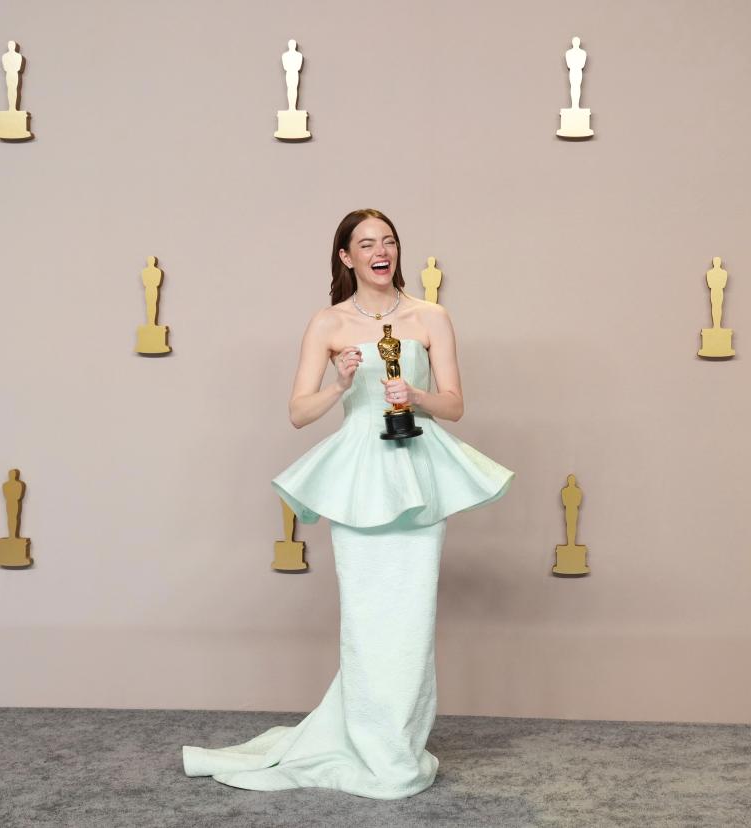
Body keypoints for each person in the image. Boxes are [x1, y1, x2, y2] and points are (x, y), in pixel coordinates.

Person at [182, 208, 514, 799]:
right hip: (361, 478)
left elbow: (456, 404)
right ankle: (365, 742)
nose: (380, 250)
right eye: (366, 243)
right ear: (346, 257)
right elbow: (298, 412)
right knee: (366, 621)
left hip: (416, 473)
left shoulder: (431, 316)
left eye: (388, 241)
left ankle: (399, 748)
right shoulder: (327, 323)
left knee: (412, 621)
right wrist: (339, 383)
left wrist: (414, 394)